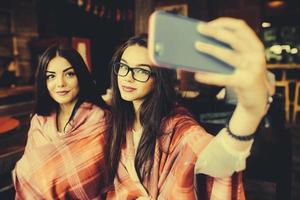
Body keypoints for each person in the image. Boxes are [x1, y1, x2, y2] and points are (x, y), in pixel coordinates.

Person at [104, 17, 274, 199]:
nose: (127, 77)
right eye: (123, 67)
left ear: (158, 79)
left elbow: (220, 162)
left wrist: (250, 111)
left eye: (141, 71)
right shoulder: (118, 120)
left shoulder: (177, 127)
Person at [13, 44, 110, 199]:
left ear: (81, 76)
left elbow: (98, 178)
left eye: (69, 74)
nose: (60, 83)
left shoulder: (101, 120)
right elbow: (27, 172)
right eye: (51, 76)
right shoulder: (39, 120)